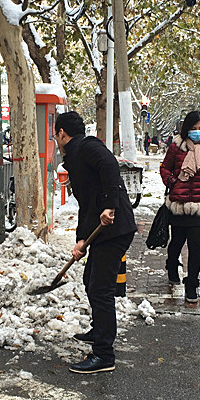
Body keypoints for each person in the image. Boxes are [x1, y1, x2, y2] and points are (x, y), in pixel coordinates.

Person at [54, 111, 137, 374]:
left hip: (115, 228)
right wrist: (81, 239)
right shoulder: (75, 156)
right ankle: (99, 330)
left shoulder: (87, 147)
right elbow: (87, 205)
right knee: (90, 280)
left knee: (101, 289)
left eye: (56, 135)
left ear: (61, 133)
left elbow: (110, 166)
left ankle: (104, 354)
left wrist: (110, 205)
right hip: (104, 230)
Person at [160, 111, 200, 304]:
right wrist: (172, 181)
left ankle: (191, 286)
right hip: (179, 205)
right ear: (186, 129)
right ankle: (172, 266)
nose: (197, 132)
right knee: (176, 242)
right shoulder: (176, 147)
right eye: (193, 128)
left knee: (195, 247)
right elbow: (164, 168)